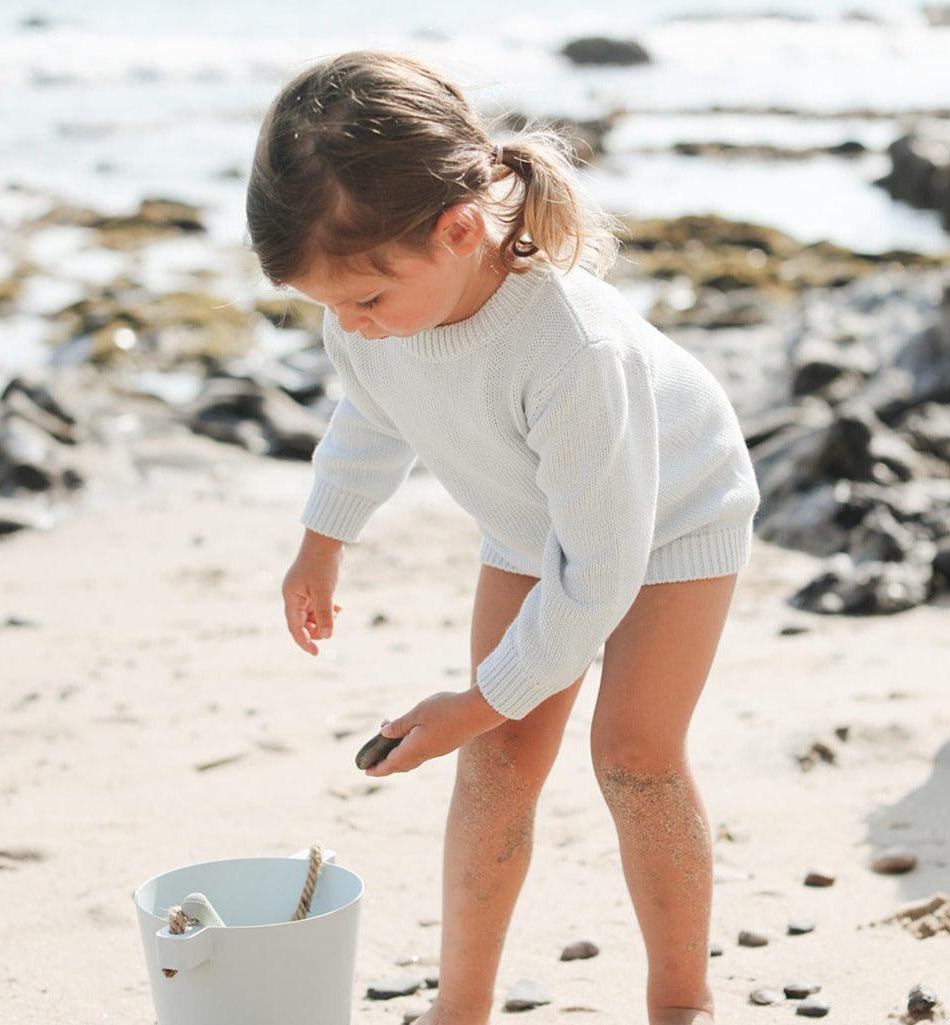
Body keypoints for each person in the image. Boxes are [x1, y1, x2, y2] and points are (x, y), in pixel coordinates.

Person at [245, 49, 761, 1025]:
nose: (351, 326)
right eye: (329, 309)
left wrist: (471, 697)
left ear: (456, 229)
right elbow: (369, 416)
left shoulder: (569, 347)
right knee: (496, 754)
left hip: (671, 520)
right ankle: (461, 1005)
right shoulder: (372, 318)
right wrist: (323, 539)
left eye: (364, 299)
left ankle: (681, 1000)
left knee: (632, 753)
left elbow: (599, 571)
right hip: (536, 522)